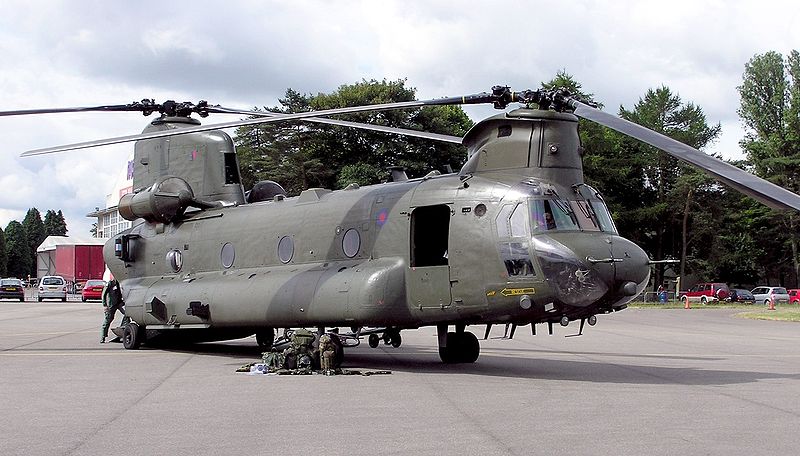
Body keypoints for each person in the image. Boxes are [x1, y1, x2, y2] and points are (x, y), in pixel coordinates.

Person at [100, 278, 126, 343]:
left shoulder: (118, 283)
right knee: (108, 320)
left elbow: (119, 293)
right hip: (110, 305)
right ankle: (103, 337)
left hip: (118, 303)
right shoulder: (110, 283)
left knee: (127, 314)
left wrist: (121, 302)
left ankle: (123, 328)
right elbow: (103, 294)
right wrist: (105, 305)